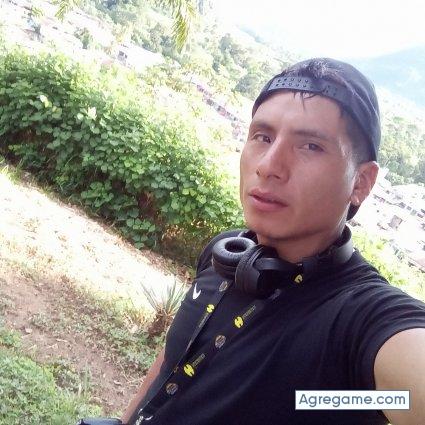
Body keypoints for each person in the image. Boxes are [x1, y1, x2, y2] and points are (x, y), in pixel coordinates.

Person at [121, 58, 425, 425]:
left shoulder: (358, 319)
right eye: (263, 137)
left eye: (310, 146)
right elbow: (169, 366)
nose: (268, 165)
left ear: (360, 182)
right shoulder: (228, 252)